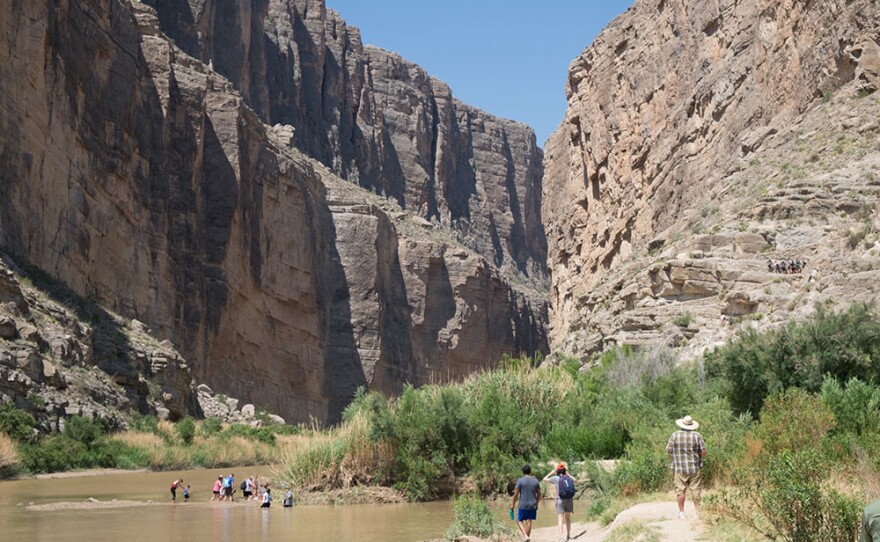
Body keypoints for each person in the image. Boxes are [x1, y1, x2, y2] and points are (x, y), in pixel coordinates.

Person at [666, 415, 708, 519]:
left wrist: (676, 455)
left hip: (679, 468)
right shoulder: (697, 435)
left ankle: (682, 513)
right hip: (694, 468)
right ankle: (698, 513)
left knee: (680, 490)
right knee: (696, 490)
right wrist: (698, 457)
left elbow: (668, 450)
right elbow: (704, 451)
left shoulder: (675, 435)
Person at [543, 463, 577, 541]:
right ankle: (568, 535)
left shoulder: (556, 478)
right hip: (569, 499)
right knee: (568, 518)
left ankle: (561, 537)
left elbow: (544, 479)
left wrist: (552, 472)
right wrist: (567, 473)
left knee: (560, 519)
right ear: (564, 470)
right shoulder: (568, 478)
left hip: (560, 500)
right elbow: (575, 480)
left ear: (557, 471)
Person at [510, 464, 541, 542]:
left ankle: (525, 536)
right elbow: (539, 493)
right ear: (530, 472)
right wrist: (536, 503)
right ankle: (526, 537)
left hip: (523, 505)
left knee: (518, 520)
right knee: (529, 521)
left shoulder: (520, 481)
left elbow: (516, 494)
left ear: (523, 472)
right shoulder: (535, 481)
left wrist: (513, 504)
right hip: (533, 504)